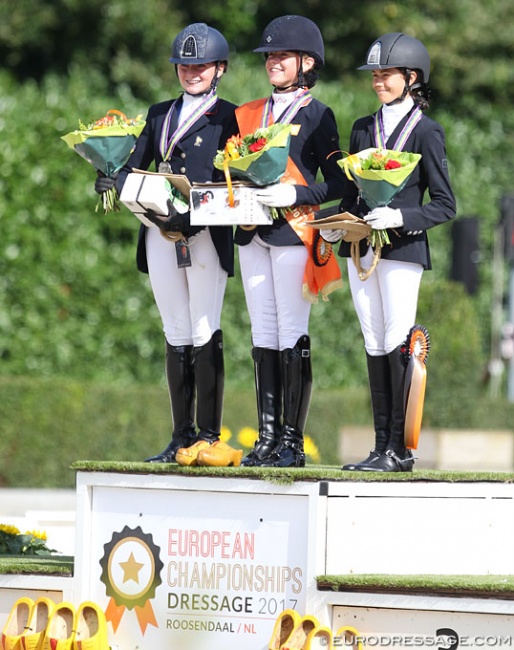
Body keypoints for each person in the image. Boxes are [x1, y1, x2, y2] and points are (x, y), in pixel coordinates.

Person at [94, 23, 238, 465]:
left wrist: (194, 214)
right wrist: (108, 174)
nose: (191, 72)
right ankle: (180, 435)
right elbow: (137, 166)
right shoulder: (159, 114)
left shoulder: (230, 116)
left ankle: (210, 437)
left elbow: (235, 180)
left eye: (200, 65)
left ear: (219, 69)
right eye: (184, 65)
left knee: (203, 327)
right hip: (160, 230)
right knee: (174, 330)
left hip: (205, 232)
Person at [322, 32, 456, 472]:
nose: (378, 82)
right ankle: (381, 444)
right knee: (373, 341)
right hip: (361, 247)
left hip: (402, 249)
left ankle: (401, 448)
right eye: (375, 75)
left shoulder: (427, 131)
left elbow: (444, 204)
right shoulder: (363, 127)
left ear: (411, 77)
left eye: (386, 75)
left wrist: (400, 218)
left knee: (397, 338)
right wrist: (335, 225)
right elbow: (350, 194)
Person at [233, 15, 345, 468]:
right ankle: (266, 434)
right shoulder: (249, 113)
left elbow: (337, 182)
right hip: (253, 232)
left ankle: (293, 441)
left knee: (290, 331)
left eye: (282, 55)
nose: (273, 62)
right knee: (261, 331)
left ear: (306, 62)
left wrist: (296, 193)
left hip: (294, 231)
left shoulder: (318, 115)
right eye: (270, 56)